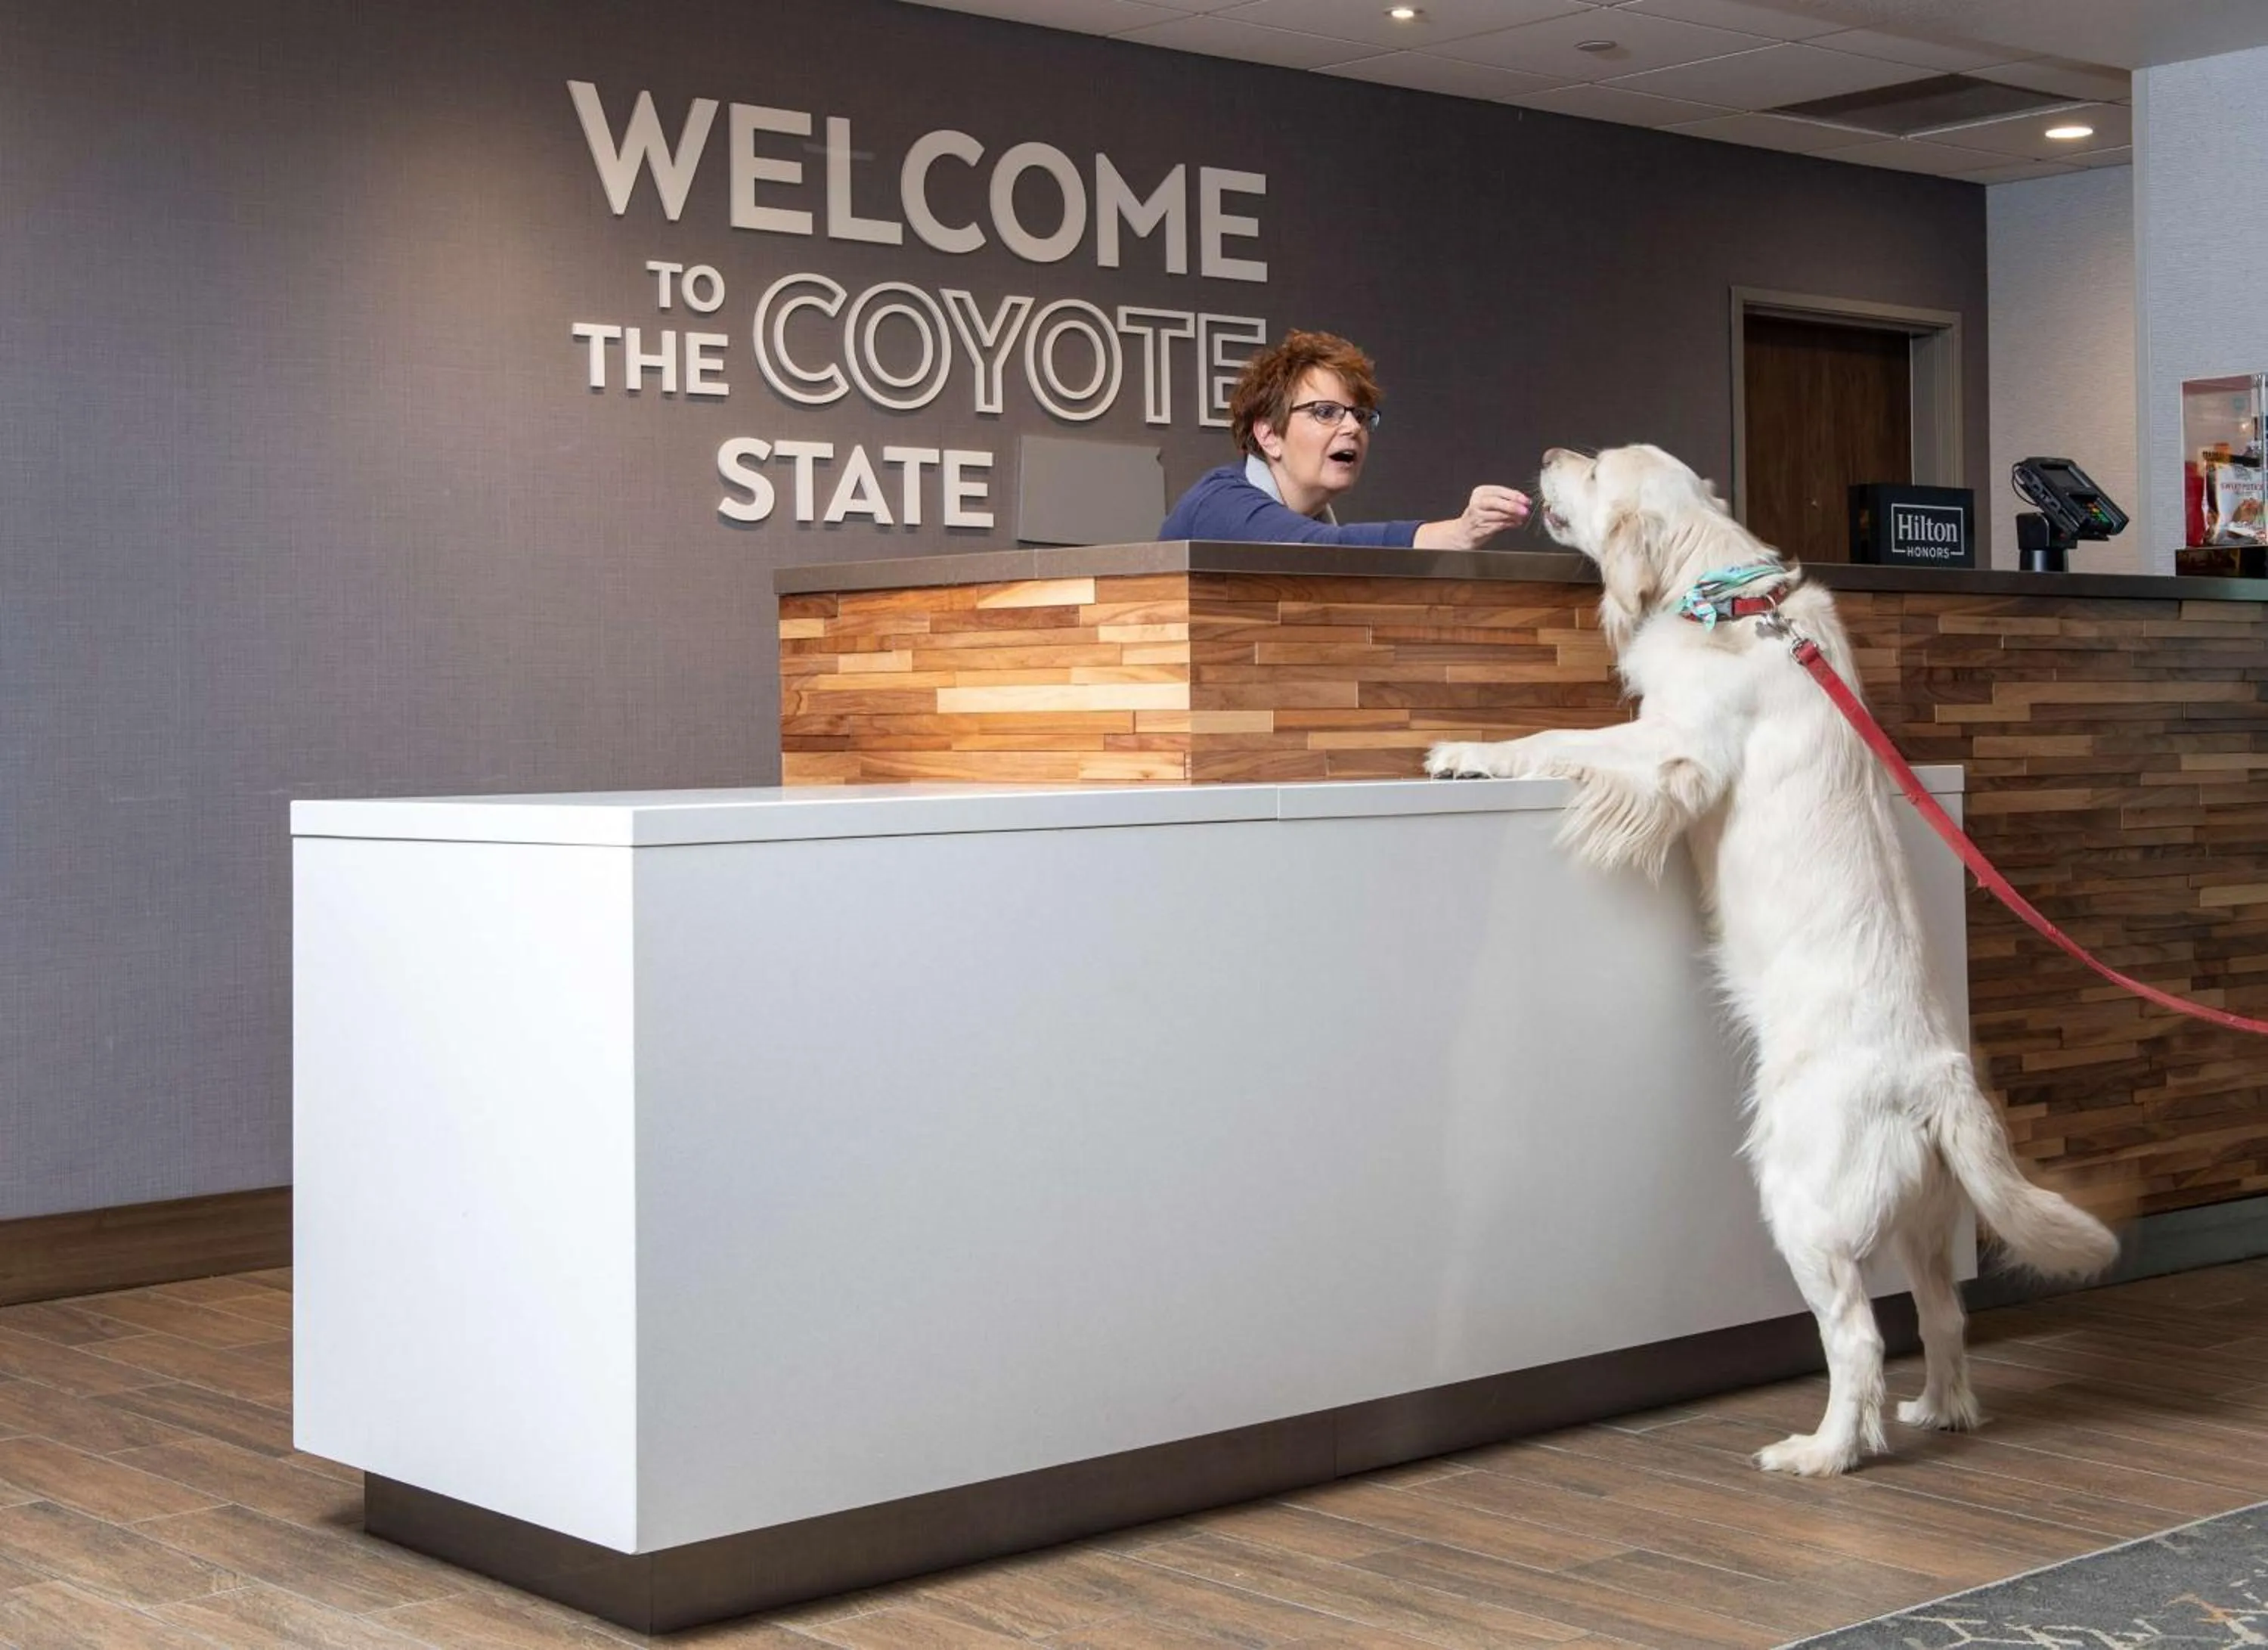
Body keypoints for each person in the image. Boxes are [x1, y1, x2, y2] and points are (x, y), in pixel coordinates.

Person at [1159, 330, 1531, 547]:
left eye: (1361, 415)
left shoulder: (1318, 519)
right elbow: (1316, 550)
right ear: (1268, 434)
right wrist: (1457, 532)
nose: (1352, 428)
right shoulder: (1221, 502)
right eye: (1325, 412)